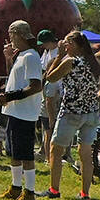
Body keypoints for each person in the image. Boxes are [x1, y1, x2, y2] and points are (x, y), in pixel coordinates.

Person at [40, 31, 100, 200]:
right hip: (91, 113)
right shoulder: (95, 63)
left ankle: (54, 189)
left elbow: (50, 77)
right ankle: (85, 193)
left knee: (56, 149)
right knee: (85, 153)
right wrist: (92, 101)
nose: (64, 46)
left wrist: (59, 56)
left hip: (71, 112)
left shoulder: (70, 62)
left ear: (75, 45)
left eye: (67, 43)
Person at [0, 20, 44, 200]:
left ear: (19, 35)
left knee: (26, 155)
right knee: (14, 153)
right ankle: (15, 188)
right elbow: (15, 79)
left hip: (25, 113)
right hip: (14, 111)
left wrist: (11, 96)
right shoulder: (21, 55)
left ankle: (29, 193)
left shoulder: (31, 56)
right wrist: (8, 60)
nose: (10, 38)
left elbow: (36, 85)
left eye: (12, 34)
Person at [37, 29, 61, 164]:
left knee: (51, 126)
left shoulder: (58, 52)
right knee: (47, 125)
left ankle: (53, 155)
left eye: (44, 43)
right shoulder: (47, 52)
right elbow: (43, 67)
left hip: (56, 89)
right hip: (48, 89)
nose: (42, 46)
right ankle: (46, 153)